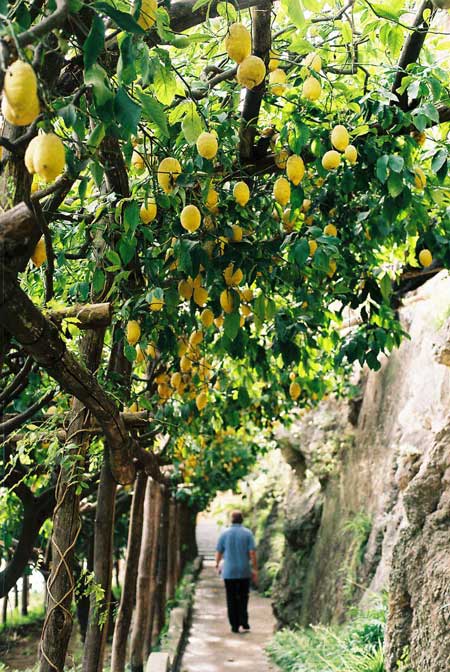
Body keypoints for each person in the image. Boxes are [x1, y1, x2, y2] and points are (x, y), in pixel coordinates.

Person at [215, 510, 258, 634]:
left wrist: (217, 564)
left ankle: (234, 625)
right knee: (243, 597)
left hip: (229, 572)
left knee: (231, 598)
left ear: (231, 520)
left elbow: (219, 551)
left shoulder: (224, 533)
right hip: (244, 571)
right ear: (242, 519)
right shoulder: (248, 534)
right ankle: (244, 621)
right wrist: (255, 568)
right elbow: (252, 553)